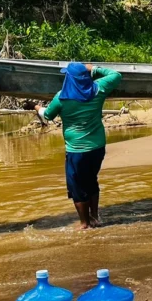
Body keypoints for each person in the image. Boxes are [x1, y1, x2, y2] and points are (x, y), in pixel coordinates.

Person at [34, 62, 122, 230]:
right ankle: (95, 217)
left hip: (77, 150)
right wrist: (92, 68)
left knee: (77, 186)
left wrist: (36, 107)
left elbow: (48, 115)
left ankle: (84, 224)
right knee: (91, 180)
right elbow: (116, 75)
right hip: (97, 147)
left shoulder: (62, 97)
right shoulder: (98, 89)